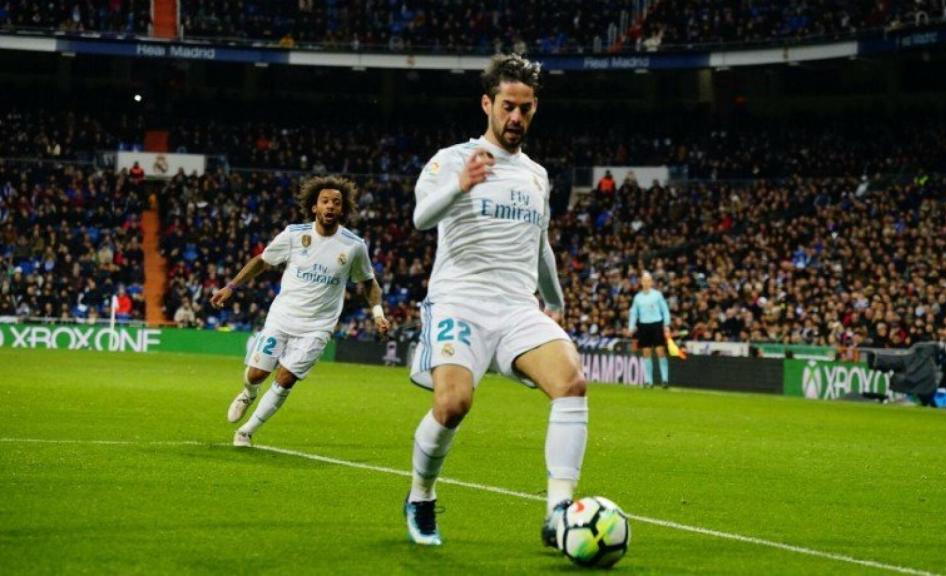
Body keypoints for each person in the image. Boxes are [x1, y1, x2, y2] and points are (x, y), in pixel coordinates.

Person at [404, 54, 587, 548]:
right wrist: (460, 186)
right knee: (454, 404)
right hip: (459, 300)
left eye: (526, 109)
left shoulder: (536, 175)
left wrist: (556, 298)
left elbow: (541, 244)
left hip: (516, 306)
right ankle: (421, 494)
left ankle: (560, 511)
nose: (516, 118)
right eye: (508, 106)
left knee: (571, 382)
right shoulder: (450, 159)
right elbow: (421, 218)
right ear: (487, 104)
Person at [210, 176, 390, 447]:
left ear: (343, 209)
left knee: (285, 379)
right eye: (325, 201)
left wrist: (378, 313)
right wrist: (231, 287)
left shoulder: (354, 245)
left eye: (336, 203)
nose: (330, 206)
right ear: (314, 206)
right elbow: (262, 261)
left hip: (318, 326)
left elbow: (368, 283)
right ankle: (249, 393)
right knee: (256, 374)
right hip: (282, 317)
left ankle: (246, 432)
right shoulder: (294, 234)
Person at [628, 271, 672, 388]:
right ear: (641, 282)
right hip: (644, 326)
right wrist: (631, 326)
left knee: (660, 351)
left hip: (656, 325)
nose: (646, 283)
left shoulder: (657, 295)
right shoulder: (638, 297)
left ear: (651, 282)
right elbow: (633, 313)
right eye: (644, 281)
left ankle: (665, 380)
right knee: (646, 353)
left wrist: (666, 324)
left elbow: (665, 310)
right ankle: (649, 381)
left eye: (648, 280)